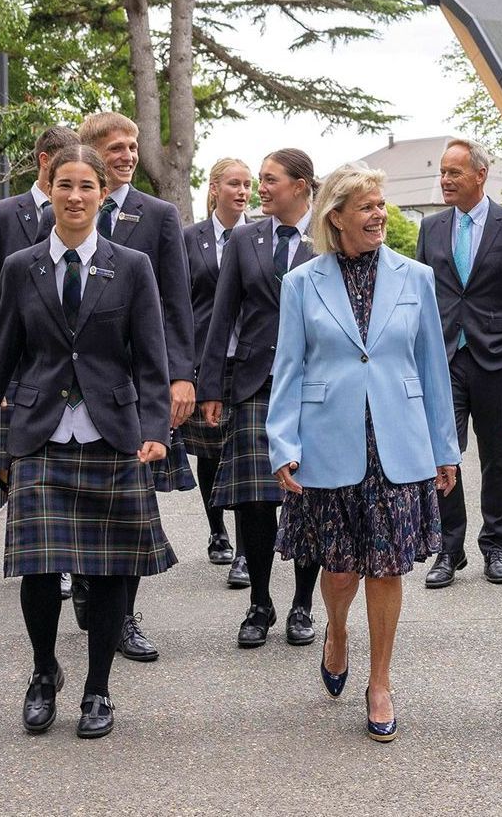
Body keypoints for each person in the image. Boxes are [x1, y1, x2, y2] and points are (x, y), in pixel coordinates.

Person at [0, 143, 175, 739]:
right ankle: (41, 673)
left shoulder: (132, 266)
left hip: (111, 435)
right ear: (48, 190)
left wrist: (155, 430)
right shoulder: (20, 265)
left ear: (102, 194)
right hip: (39, 435)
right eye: (65, 186)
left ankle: (98, 690)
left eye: (87, 186)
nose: (75, 197)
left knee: (109, 574)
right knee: (37, 569)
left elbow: (152, 360)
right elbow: (2, 354)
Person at [267, 162, 460, 743]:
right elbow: (288, 370)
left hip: (398, 441)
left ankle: (380, 681)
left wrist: (444, 448)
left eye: (382, 204)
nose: (380, 215)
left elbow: (433, 369)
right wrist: (283, 444)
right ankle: (336, 632)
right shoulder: (301, 283)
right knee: (341, 566)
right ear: (337, 216)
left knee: (387, 567)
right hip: (328, 439)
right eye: (368, 206)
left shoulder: (416, 277)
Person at [74, 111, 197, 663]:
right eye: (117, 147)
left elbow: (177, 303)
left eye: (133, 146)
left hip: (133, 388)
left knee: (131, 507)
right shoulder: (66, 207)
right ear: (92, 152)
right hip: (71, 388)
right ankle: (83, 580)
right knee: (76, 502)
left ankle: (122, 618)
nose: (128, 155)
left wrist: (180, 376)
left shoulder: (159, 215)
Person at [198, 149, 323, 648]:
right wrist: (211, 386)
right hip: (253, 384)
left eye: (270, 180)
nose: (260, 189)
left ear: (300, 185)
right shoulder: (246, 239)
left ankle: (302, 606)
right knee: (253, 499)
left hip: (315, 388)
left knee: (310, 495)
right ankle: (260, 603)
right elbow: (222, 314)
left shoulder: (328, 236)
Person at [0, 124, 81, 600]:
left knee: (53, 451)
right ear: (44, 160)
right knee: (13, 459)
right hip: (12, 358)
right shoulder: (4, 213)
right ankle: (34, 534)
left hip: (58, 359)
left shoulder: (81, 210)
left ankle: (55, 546)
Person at [413, 138, 502, 589]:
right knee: (443, 452)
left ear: (480, 175)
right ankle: (448, 548)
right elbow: (423, 295)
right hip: (444, 356)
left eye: (454, 173)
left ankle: (496, 546)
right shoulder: (431, 226)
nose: (445, 180)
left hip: (496, 356)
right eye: (442, 172)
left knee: (499, 457)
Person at [180, 157, 254, 588]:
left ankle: (246, 551)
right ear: (214, 189)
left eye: (248, 185)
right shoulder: (191, 239)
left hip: (247, 360)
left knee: (244, 455)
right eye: (234, 184)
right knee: (208, 450)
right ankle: (216, 531)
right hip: (206, 358)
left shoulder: (260, 235)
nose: (242, 192)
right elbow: (181, 301)